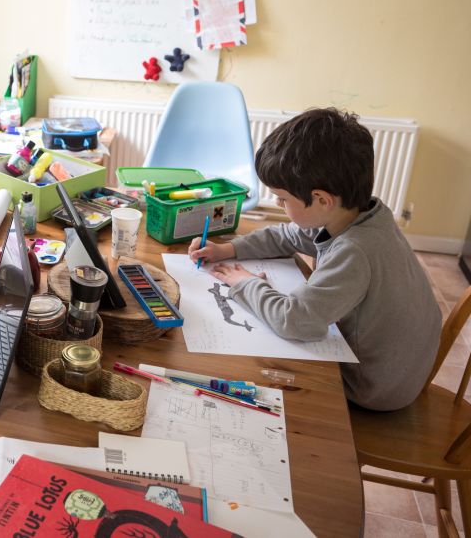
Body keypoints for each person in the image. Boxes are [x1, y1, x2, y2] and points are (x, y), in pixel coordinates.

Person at [189, 108, 441, 411]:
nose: (278, 204)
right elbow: (290, 235)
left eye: (282, 199)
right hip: (397, 368)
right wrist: (229, 249)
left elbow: (294, 321)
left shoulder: (355, 250)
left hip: (373, 387)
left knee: (253, 374)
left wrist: (245, 282)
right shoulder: (360, 213)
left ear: (322, 199)